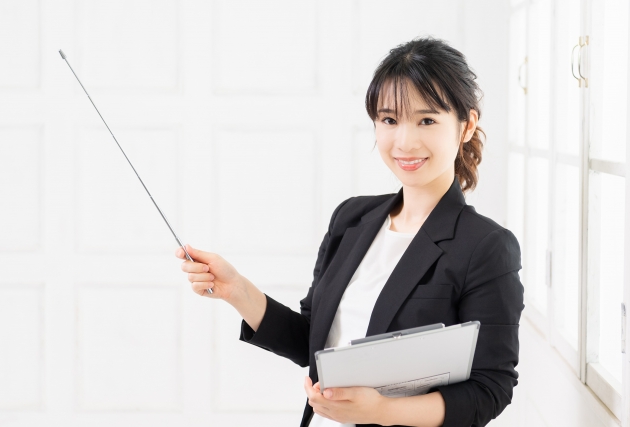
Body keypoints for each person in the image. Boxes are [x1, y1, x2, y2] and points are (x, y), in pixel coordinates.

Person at [176, 37, 524, 427]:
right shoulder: (351, 218)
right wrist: (237, 290)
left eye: (427, 120)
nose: (405, 141)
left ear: (466, 125)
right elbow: (314, 342)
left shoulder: (487, 247)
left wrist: (383, 412)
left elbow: (490, 389)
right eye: (389, 120)